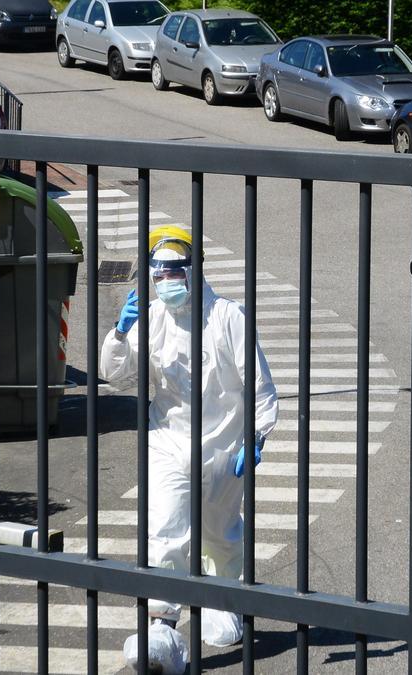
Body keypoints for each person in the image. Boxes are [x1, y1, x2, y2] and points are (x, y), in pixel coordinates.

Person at [101, 226, 278, 673]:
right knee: (165, 528)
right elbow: (115, 376)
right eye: (158, 274)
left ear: (193, 271)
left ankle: (223, 601)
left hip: (223, 444)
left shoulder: (227, 317)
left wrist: (256, 437)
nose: (166, 281)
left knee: (220, 531)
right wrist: (120, 334)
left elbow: (259, 384)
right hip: (168, 440)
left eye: (173, 272)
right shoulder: (151, 317)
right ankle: (162, 624)